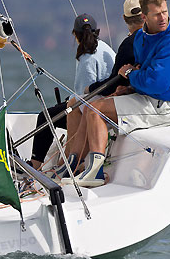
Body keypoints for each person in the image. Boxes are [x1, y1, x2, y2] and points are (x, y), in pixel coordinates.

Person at [69, 0, 170, 187]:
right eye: (157, 14)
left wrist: (130, 75)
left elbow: (155, 83)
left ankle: (95, 173)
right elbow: (143, 73)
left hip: (168, 106)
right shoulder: (141, 38)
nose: (163, 17)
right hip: (148, 98)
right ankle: (80, 166)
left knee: (95, 109)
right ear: (144, 17)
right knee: (91, 106)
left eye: (165, 12)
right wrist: (129, 87)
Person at [61, 0, 145, 174]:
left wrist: (90, 89)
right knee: (79, 104)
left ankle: (72, 162)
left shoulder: (129, 43)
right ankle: (73, 163)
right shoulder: (114, 45)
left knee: (77, 105)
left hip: (132, 99)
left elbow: (113, 84)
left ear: (124, 19)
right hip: (132, 94)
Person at [29, 13, 115, 171]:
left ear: (75, 34)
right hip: (109, 101)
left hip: (95, 106)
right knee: (61, 108)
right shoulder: (105, 48)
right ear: (97, 31)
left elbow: (85, 94)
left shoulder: (86, 55)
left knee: (46, 117)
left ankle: (34, 166)